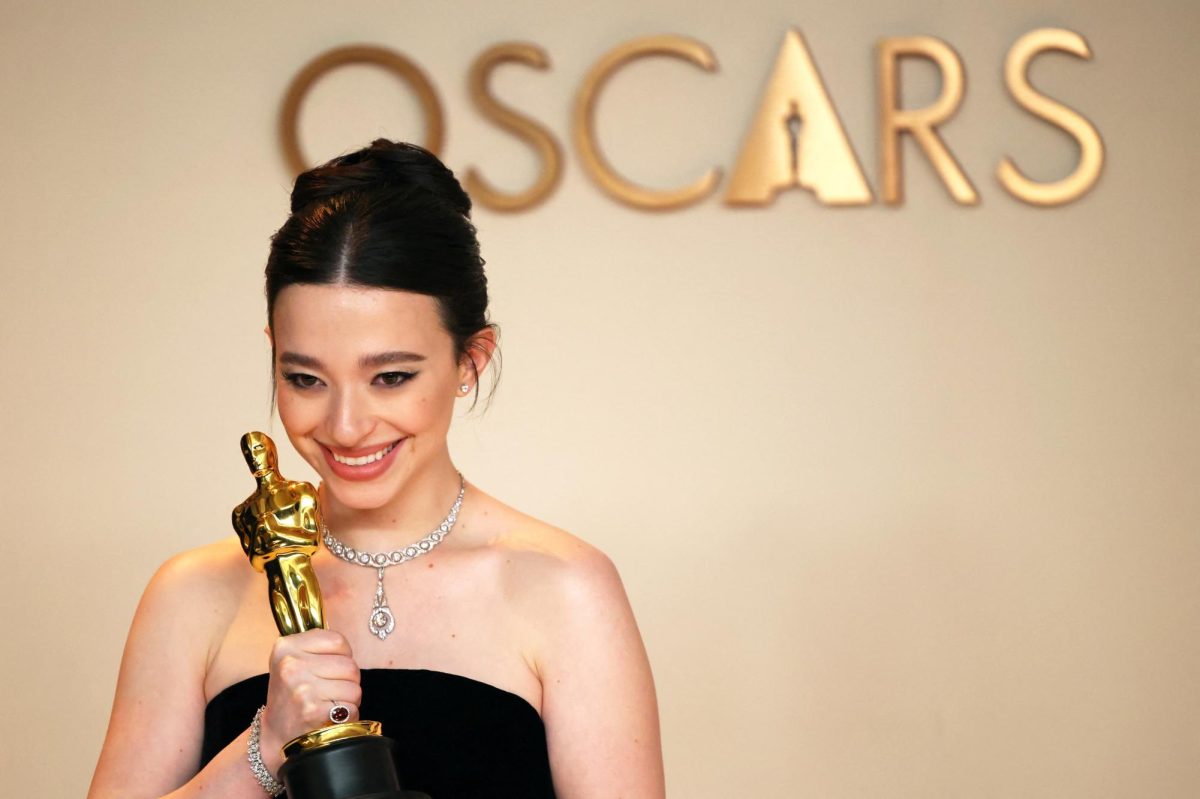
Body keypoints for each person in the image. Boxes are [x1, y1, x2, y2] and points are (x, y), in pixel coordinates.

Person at [87, 139, 665, 799]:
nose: (345, 425)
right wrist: (264, 746)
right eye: (305, 378)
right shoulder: (194, 596)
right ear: (273, 353)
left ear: (470, 361)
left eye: (390, 377)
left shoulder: (566, 590)